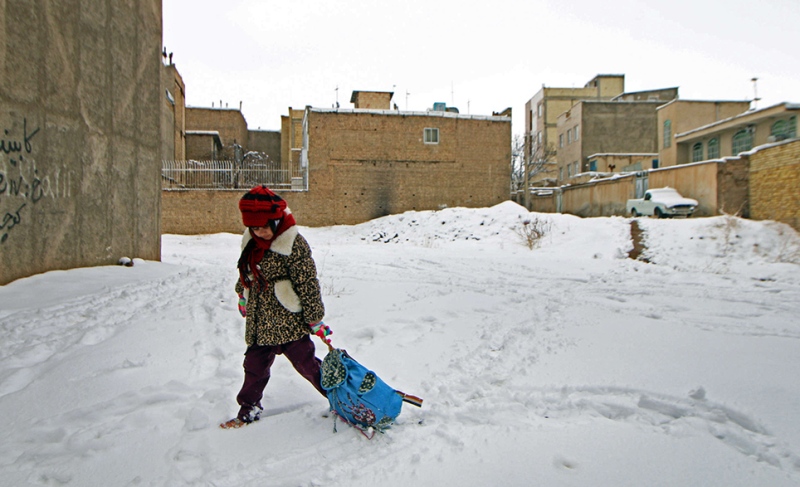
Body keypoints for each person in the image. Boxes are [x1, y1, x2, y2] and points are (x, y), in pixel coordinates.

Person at [221, 185, 332, 429]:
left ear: (275, 220)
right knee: (254, 368)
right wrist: (242, 295)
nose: (259, 232)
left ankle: (340, 400)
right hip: (261, 323)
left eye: (263, 227)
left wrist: (315, 319)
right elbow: (245, 271)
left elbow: (307, 283)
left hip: (290, 321)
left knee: (308, 366)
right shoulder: (251, 241)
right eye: (254, 228)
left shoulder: (294, 243)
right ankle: (247, 410)